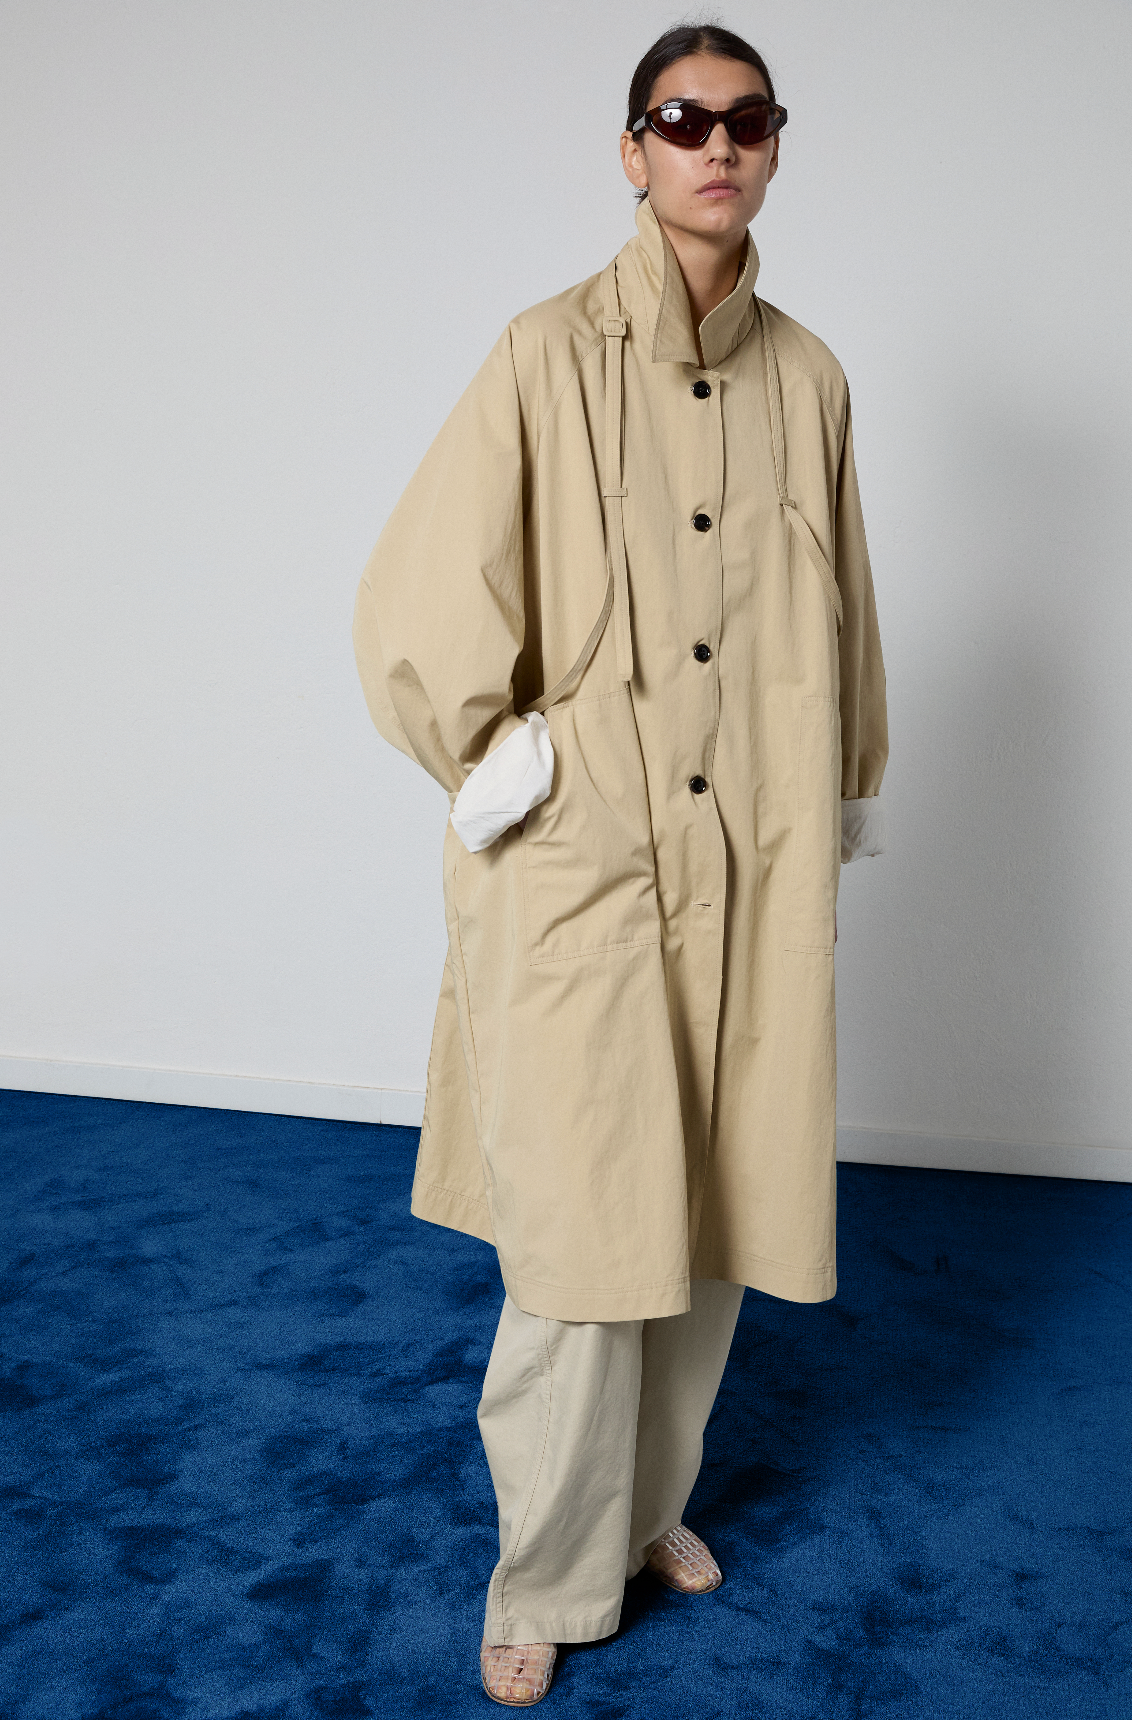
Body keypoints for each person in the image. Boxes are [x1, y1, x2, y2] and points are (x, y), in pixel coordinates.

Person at [352, 21, 888, 1706]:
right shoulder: (543, 356)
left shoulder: (812, 380)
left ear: (776, 146)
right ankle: (545, 1573)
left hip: (751, 859)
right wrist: (500, 756)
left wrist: (839, 785)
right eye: (681, 117)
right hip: (586, 867)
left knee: (711, 1219)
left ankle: (647, 1509)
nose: (716, 145)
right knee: (587, 1247)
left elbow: (848, 611)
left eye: (747, 120)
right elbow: (421, 595)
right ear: (634, 149)